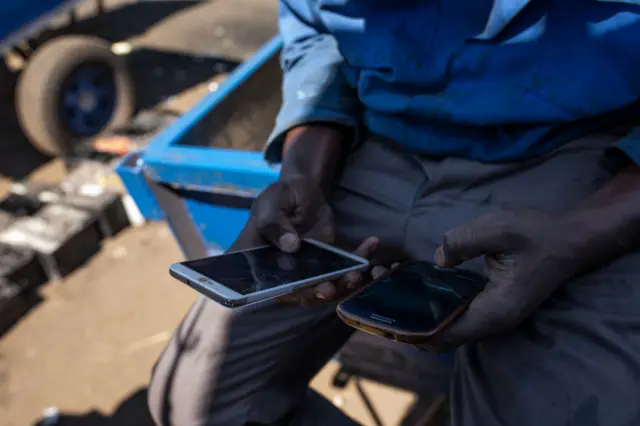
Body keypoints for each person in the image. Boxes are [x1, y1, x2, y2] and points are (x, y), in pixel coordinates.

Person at [147, 1, 640, 425]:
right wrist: (305, 174)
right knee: (193, 403)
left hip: (575, 159)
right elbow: (317, 29)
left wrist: (581, 235)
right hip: (379, 146)